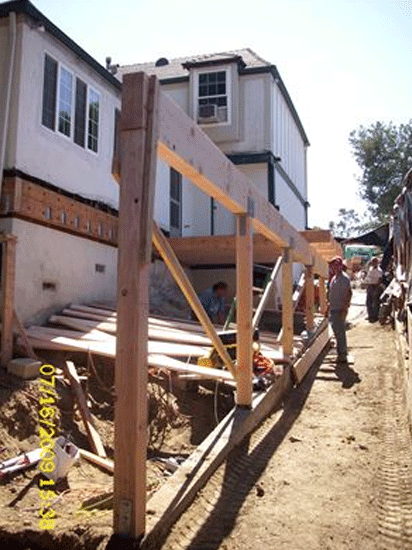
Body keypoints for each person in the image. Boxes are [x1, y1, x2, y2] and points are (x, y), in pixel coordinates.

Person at [328, 256, 352, 363]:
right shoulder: (334, 278)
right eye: (333, 265)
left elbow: (349, 293)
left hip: (340, 309)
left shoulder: (344, 278)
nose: (335, 267)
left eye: (337, 265)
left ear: (341, 266)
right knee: (337, 331)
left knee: (340, 332)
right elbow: (331, 293)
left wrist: (345, 308)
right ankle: (340, 353)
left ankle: (342, 354)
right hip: (334, 308)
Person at [364, 256, 383, 323]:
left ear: (377, 262)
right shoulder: (370, 268)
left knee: (374, 302)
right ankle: (370, 315)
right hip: (369, 286)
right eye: (372, 262)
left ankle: (375, 316)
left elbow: (380, 280)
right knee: (368, 302)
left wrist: (377, 288)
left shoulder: (379, 270)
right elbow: (368, 277)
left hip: (375, 286)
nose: (373, 263)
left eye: (374, 262)